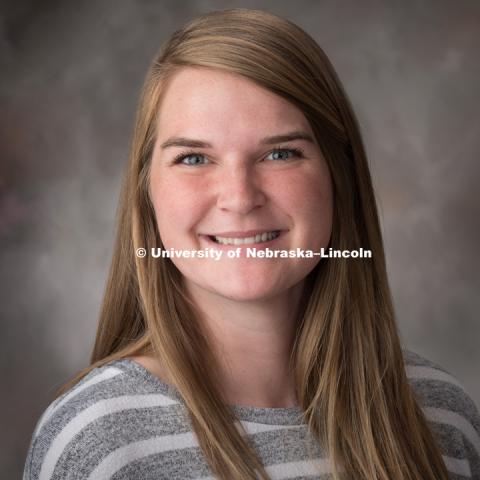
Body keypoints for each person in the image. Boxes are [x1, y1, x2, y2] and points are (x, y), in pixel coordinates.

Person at [23, 8, 480, 480]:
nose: (240, 198)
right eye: (194, 157)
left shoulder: (443, 418)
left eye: (280, 153)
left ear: (338, 176)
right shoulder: (97, 440)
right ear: (147, 191)